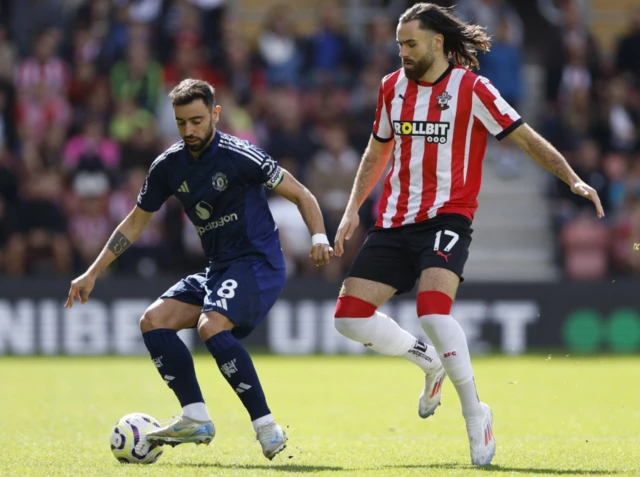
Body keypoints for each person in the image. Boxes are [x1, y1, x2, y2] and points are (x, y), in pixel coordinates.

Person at [332, 3, 604, 466]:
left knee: (434, 313)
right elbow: (377, 150)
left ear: (437, 42)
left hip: (447, 218)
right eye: (399, 44)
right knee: (349, 318)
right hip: (396, 220)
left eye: (410, 44)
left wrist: (571, 177)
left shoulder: (472, 88)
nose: (402, 53)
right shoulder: (391, 89)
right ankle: (428, 361)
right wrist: (352, 210)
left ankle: (476, 413)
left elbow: (523, 136)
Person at [64, 78, 334, 460]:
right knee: (153, 321)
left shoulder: (241, 156)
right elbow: (136, 222)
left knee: (211, 325)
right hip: (219, 268)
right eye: (181, 123)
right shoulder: (168, 166)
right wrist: (92, 272)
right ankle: (195, 416)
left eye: (196, 120)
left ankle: (266, 428)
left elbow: (301, 194)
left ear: (215, 114)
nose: (189, 130)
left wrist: (319, 236)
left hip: (258, 263)